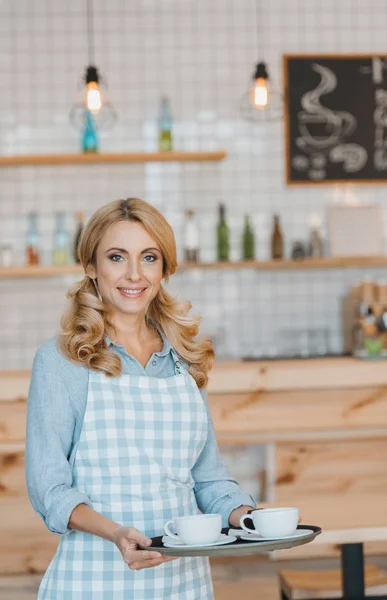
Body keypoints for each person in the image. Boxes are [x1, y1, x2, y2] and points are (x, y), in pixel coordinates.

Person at [25, 197, 257, 600]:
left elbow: (209, 479)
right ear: (92, 267)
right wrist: (116, 533)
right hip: (94, 579)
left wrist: (248, 517)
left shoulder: (184, 357)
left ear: (164, 268)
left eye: (149, 257)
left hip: (184, 582)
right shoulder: (61, 361)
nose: (134, 274)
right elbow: (51, 489)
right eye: (117, 257)